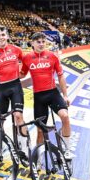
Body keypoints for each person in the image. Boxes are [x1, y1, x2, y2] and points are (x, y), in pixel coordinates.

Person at [20, 32, 72, 160]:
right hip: (39, 97)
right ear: (32, 43)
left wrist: (65, 95)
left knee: (65, 116)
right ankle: (38, 158)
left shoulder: (52, 56)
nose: (41, 44)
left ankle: (67, 149)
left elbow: (60, 76)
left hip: (53, 93)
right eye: (38, 42)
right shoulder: (27, 58)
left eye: (43, 41)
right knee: (39, 131)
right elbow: (21, 74)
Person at [0, 25, 28, 163]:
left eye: (3, 35)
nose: (1, 37)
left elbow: (27, 62)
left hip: (15, 86)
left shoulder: (16, 50)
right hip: (2, 89)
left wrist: (23, 73)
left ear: (7, 36)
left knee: (18, 116)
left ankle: (24, 149)